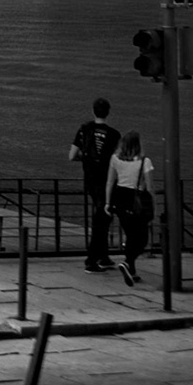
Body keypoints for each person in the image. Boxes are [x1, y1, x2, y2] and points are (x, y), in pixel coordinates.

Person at [68, 98, 122, 272]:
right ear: (108, 112)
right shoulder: (114, 134)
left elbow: (72, 156)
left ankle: (103, 256)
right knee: (102, 219)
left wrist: (87, 159)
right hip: (107, 182)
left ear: (93, 111)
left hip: (91, 180)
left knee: (102, 217)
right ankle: (92, 260)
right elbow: (117, 161)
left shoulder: (84, 129)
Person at [104, 130, 156, 286]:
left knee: (130, 234)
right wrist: (153, 206)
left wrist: (107, 203)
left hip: (120, 198)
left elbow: (110, 182)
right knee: (142, 239)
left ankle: (131, 270)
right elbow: (150, 187)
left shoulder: (115, 159)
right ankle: (128, 262)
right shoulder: (145, 162)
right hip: (137, 199)